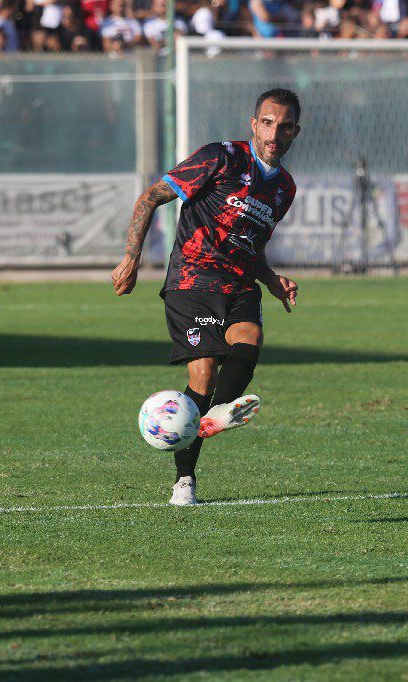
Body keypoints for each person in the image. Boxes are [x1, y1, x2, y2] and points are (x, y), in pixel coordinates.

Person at [111, 89, 301, 506]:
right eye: (267, 123)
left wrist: (270, 279)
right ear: (254, 124)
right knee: (204, 376)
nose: (275, 133)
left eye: (284, 126)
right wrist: (131, 258)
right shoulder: (221, 157)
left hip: (238, 284)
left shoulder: (284, 188)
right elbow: (151, 197)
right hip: (192, 282)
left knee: (249, 341)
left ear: (295, 132)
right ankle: (185, 480)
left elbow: (253, 245)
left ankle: (214, 416)